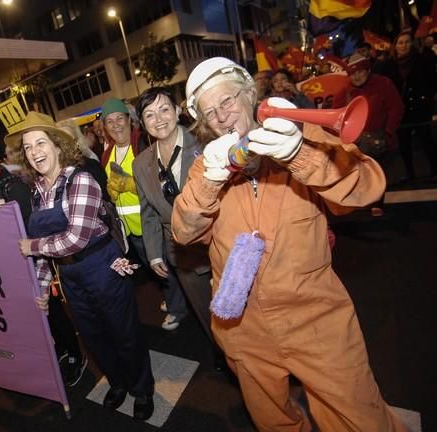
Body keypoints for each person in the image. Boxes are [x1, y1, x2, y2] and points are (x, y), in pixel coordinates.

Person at [174, 57, 406, 431]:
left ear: (250, 95)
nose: (221, 117)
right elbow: (184, 233)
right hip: (243, 329)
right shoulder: (206, 167)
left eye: (228, 101)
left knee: (361, 417)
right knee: (274, 422)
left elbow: (366, 188)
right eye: (210, 112)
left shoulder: (301, 138)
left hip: (315, 319)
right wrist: (208, 183)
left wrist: (300, 155)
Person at [8, 112, 155, 421]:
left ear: (58, 145)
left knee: (124, 332)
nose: (35, 152)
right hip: (70, 274)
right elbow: (48, 243)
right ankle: (117, 383)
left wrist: (30, 247)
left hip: (102, 266)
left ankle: (141, 389)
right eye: (28, 146)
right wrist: (43, 285)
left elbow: (74, 239)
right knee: (94, 336)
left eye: (40, 143)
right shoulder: (38, 191)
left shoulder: (81, 179)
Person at [0, 135, 85, 387]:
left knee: (52, 309)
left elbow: (31, 228)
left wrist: (4, 218)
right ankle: (59, 347)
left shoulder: (11, 185)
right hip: (10, 263)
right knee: (38, 313)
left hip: (33, 260)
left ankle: (75, 354)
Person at [132, 87, 208, 332]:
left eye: (165, 109)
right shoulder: (141, 163)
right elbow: (148, 212)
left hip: (218, 243)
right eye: (150, 115)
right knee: (206, 314)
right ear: (143, 124)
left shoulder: (205, 143)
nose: (159, 119)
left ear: (177, 111)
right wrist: (154, 254)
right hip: (180, 251)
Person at [345, 52, 404, 216]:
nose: (356, 76)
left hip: (380, 137)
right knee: (360, 172)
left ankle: (377, 202)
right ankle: (363, 200)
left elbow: (396, 108)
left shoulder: (383, 84)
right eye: (352, 73)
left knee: (378, 171)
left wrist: (389, 131)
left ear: (367, 70)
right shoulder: (346, 90)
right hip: (357, 141)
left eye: (359, 71)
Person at [376, 29, 437, 183]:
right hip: (400, 110)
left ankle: (434, 169)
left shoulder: (422, 59)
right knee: (404, 143)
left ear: (412, 44)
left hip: (419, 107)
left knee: (426, 139)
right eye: (400, 42)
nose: (404, 45)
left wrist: (427, 98)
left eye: (407, 42)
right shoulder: (389, 65)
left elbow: (432, 80)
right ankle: (409, 173)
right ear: (395, 46)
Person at [100, 98, 149, 267]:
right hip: (129, 232)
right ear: (105, 128)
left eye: (119, 118)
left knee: (169, 277)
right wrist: (111, 195)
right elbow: (110, 194)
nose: (116, 125)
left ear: (129, 119)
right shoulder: (107, 155)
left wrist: (130, 184)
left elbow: (157, 183)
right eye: (110, 121)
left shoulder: (142, 143)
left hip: (151, 226)